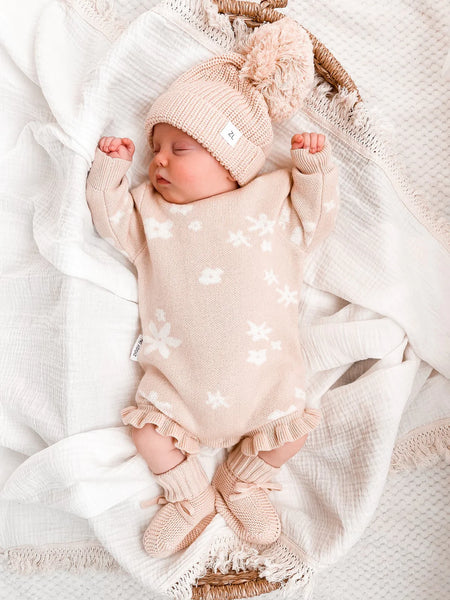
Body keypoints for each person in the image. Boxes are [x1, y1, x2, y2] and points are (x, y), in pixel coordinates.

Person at [85, 17, 339, 558]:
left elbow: (316, 219)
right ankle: (189, 497)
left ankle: (241, 482)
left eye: (179, 148)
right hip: (179, 387)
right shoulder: (151, 215)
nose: (158, 160)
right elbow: (110, 222)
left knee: (293, 433)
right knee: (148, 434)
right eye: (155, 148)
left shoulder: (270, 201)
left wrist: (313, 169)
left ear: (229, 160)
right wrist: (109, 174)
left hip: (265, 386)